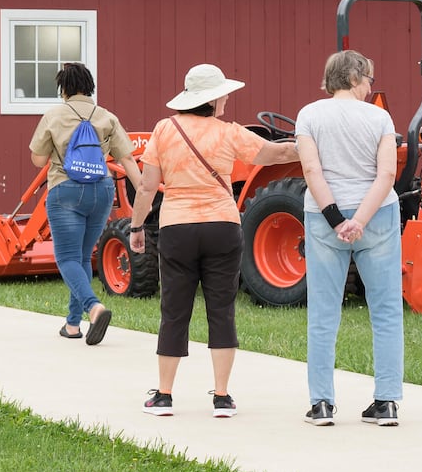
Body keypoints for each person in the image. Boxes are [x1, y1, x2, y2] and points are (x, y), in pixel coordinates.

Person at [128, 63, 298, 418]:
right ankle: (222, 397)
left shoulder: (164, 130)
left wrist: (136, 226)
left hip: (177, 227)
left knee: (174, 311)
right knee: (221, 310)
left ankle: (163, 396)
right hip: (222, 225)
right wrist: (313, 148)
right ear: (215, 98)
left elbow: (146, 186)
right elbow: (276, 153)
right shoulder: (230, 133)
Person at [295, 50, 404, 427]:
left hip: (325, 217)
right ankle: (386, 401)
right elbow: (386, 174)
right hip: (378, 216)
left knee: (324, 314)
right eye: (369, 79)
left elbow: (311, 169)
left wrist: (337, 219)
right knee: (386, 311)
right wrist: (359, 219)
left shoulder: (309, 115)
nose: (371, 86)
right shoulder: (380, 117)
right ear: (356, 78)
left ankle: (321, 403)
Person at [28, 62, 143, 345]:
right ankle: (71, 324)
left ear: (63, 88)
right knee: (79, 257)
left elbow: (38, 159)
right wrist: (143, 194)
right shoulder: (106, 117)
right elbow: (127, 159)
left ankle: (94, 307)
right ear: (89, 86)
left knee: (66, 258)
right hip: (101, 190)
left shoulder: (54, 116)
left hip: (65, 189)